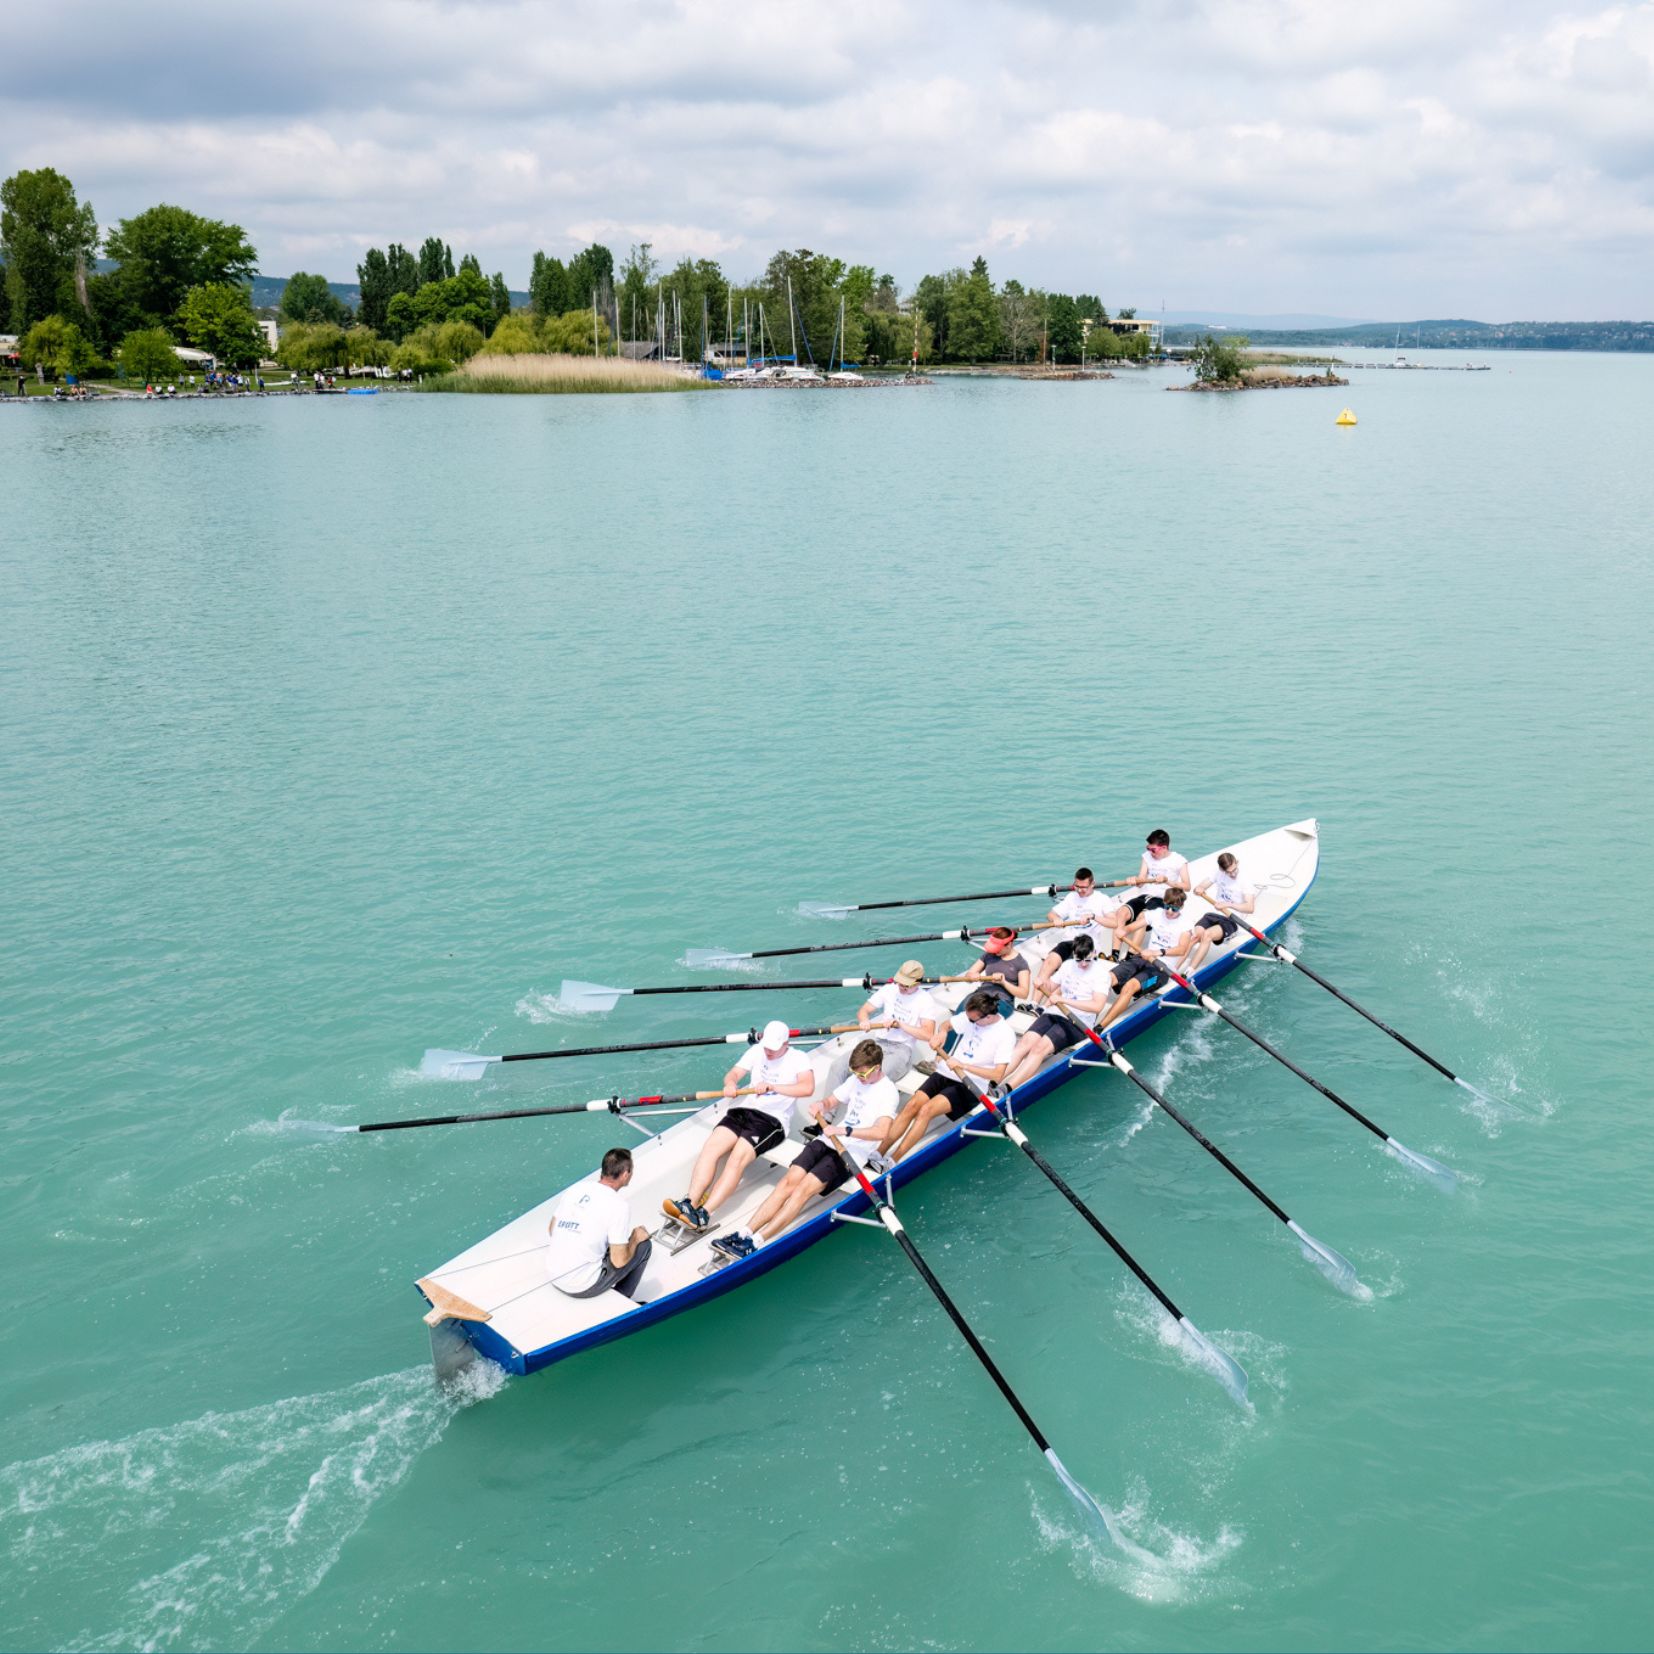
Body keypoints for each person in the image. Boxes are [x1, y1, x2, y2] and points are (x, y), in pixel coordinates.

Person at [711, 1039, 898, 1261]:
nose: (859, 1078)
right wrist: (821, 1105)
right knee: (788, 1182)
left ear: (877, 1068)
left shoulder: (888, 1093)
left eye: (863, 1075)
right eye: (855, 1074)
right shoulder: (857, 1081)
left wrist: (843, 1130)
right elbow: (832, 1100)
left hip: (852, 1154)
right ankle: (744, 1232)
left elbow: (881, 1132)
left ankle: (756, 1242)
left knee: (803, 1190)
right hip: (829, 1140)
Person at [664, 1020, 818, 1233]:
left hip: (772, 1120)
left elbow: (807, 1088)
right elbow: (734, 1073)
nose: (769, 1052)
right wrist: (730, 1084)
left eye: (774, 1048)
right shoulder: (757, 1051)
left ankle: (703, 1215)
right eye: (766, 1047)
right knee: (711, 1148)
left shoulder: (798, 1058)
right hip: (744, 1109)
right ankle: (690, 1201)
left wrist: (773, 1087)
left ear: (786, 1043)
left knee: (737, 1159)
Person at [880, 989, 1019, 1161]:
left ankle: (892, 1160)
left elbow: (997, 1075)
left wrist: (964, 1065)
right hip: (946, 1071)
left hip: (970, 1084)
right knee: (911, 1105)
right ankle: (878, 1154)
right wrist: (942, 1033)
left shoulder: (1005, 1035)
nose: (969, 1022)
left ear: (988, 1017)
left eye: (973, 1020)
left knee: (926, 1111)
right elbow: (946, 1024)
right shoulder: (973, 1016)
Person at [1000, 935, 1111, 1091]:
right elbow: (1051, 986)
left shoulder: (1101, 975)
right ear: (1074, 954)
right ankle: (993, 1081)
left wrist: (1063, 1001)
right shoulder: (1067, 965)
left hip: (1078, 1022)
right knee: (1024, 1043)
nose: (1083, 964)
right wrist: (1042, 982)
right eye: (1079, 960)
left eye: (1087, 959)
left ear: (1093, 953)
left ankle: (1007, 1088)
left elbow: (1097, 1006)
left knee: (1039, 1049)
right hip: (1054, 1012)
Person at [545, 1147, 653, 1300]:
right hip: (580, 1286)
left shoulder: (576, 1189)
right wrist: (635, 1239)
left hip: (552, 1274)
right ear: (625, 1174)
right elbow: (619, 1261)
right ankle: (621, 1302)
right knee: (644, 1246)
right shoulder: (619, 1206)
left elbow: (552, 1229)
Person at [1098, 888, 1201, 1032]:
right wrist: (1124, 930)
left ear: (1181, 907)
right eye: (1167, 907)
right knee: (1107, 978)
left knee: (1129, 987)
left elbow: (1182, 949)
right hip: (1143, 957)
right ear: (1164, 903)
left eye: (1174, 909)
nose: (1170, 912)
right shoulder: (1156, 914)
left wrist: (1157, 952)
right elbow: (1133, 926)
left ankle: (1100, 1027)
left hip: (1163, 968)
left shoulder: (1185, 924)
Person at [1032, 868, 1127, 999]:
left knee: (1069, 976)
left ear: (1092, 884)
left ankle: (1051, 1003)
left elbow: (1114, 923)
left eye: (1084, 887)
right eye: (1077, 886)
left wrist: (1094, 916)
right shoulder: (1071, 897)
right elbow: (1051, 914)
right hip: (1069, 941)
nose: (1080, 890)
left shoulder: (1102, 899)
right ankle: (1033, 1004)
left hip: (1088, 945)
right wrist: (1056, 919)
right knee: (1049, 962)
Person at [852, 959, 944, 1081]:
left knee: (873, 1076)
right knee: (838, 1067)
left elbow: (928, 1035)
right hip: (877, 1043)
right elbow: (863, 1011)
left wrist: (900, 1024)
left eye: (906, 985)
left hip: (902, 1049)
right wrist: (864, 1021)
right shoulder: (889, 989)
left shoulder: (925, 1000)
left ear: (917, 983)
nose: (901, 987)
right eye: (899, 983)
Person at [1188, 851, 1256, 972]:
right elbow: (1201, 886)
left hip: (1232, 918)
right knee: (1194, 935)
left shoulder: (1245, 880)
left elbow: (1250, 908)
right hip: (1214, 914)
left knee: (1206, 935)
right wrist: (1199, 889)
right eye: (1229, 872)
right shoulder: (1218, 873)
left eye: (1234, 870)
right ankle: (1174, 966)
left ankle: (1188, 972)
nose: (1233, 874)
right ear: (1221, 869)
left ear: (1237, 862)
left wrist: (1228, 904)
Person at [948, 925, 1032, 1014]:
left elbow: (1024, 994)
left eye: (998, 948)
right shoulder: (989, 955)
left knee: (978, 1017)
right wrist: (971, 976)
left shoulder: (1021, 963)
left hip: (1002, 1001)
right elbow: (969, 976)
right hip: (980, 995)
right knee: (959, 1017)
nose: (995, 951)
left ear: (1009, 944)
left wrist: (1004, 983)